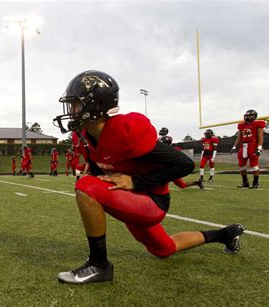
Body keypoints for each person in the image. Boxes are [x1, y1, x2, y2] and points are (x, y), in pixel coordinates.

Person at [53, 70, 244, 284]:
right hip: (132, 200)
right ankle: (224, 234)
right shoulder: (83, 138)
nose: (71, 111)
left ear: (95, 105)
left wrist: (134, 181)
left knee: (86, 185)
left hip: (152, 202)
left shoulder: (126, 130)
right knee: (164, 249)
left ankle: (99, 265)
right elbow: (101, 174)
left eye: (75, 104)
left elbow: (184, 164)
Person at [231, 109, 265, 189]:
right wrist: (234, 146)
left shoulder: (258, 124)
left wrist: (259, 147)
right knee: (242, 165)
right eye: (246, 115)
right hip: (244, 145)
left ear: (254, 116)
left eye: (249, 115)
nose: (247, 117)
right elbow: (239, 137)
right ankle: (245, 182)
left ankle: (256, 183)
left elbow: (260, 136)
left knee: (254, 164)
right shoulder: (242, 125)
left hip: (253, 144)